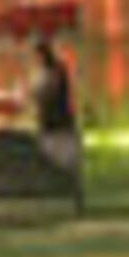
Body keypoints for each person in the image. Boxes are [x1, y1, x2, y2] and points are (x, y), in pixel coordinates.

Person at [34, 36, 84, 208]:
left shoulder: (50, 75)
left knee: (55, 154)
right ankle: (71, 191)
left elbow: (48, 98)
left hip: (54, 126)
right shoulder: (58, 72)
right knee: (65, 159)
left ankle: (61, 187)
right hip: (61, 125)